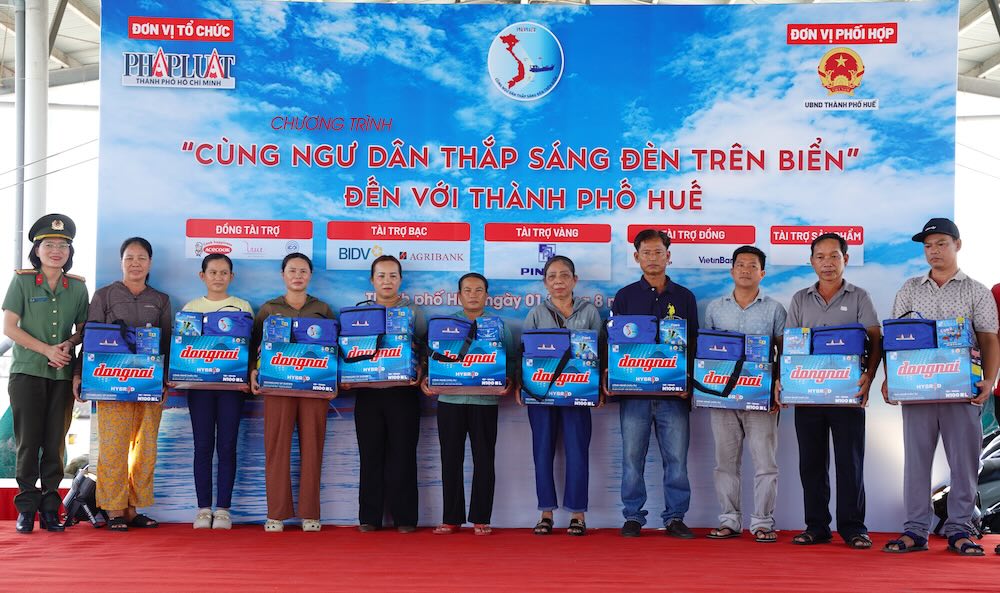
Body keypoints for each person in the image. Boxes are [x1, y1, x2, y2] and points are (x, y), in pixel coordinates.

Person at [881, 218, 999, 556]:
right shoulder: (910, 288)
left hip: (962, 391)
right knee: (916, 463)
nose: (934, 251)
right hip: (917, 392)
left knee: (964, 462)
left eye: (941, 244)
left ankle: (960, 529)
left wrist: (989, 380)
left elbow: (990, 339)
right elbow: (894, 341)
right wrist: (891, 377)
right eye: (928, 245)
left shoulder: (975, 290)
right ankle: (915, 530)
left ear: (957, 245)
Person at [780, 232, 881, 549]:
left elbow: (875, 339)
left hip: (847, 394)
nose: (827, 263)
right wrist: (785, 379)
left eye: (833, 256)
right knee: (811, 462)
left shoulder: (859, 297)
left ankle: (853, 528)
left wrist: (869, 375)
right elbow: (790, 346)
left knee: (850, 462)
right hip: (807, 395)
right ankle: (817, 526)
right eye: (820, 257)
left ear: (845, 259)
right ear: (812, 262)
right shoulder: (799, 299)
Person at [73, 237, 171, 532]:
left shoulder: (161, 300)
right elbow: (89, 341)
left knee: (144, 448)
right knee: (114, 446)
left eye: (141, 258)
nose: (135, 263)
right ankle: (114, 510)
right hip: (110, 384)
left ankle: (133, 509)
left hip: (149, 385)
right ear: (121, 262)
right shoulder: (104, 296)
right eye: (129, 257)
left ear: (150, 263)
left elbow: (166, 341)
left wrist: (165, 379)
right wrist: (79, 374)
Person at [3, 214, 89, 533]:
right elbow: (10, 327)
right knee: (28, 442)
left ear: (69, 251)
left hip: (61, 375)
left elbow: (83, 329)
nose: (56, 251)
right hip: (27, 372)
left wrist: (66, 344)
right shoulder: (23, 281)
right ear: (37, 250)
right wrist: (46, 350)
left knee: (55, 442)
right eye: (49, 245)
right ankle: (26, 508)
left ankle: (51, 508)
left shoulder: (77, 288)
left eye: (63, 245)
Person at [612, 229, 698, 538]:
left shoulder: (685, 297)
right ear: (636, 257)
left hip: (674, 395)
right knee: (632, 459)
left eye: (658, 252)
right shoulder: (624, 296)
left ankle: (675, 517)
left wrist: (690, 383)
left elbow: (694, 344)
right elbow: (615, 346)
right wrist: (615, 381)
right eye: (646, 253)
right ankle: (633, 516)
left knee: (676, 459)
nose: (652, 258)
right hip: (634, 394)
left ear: (668, 255)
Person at [702, 246, 786, 543]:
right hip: (721, 398)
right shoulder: (715, 308)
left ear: (762, 273)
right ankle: (729, 521)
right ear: (732, 270)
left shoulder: (775, 309)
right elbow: (705, 356)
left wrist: (777, 387)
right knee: (725, 463)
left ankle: (763, 522)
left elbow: (783, 352)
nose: (746, 269)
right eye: (740, 264)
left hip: (761, 400)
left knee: (765, 463)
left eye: (753, 265)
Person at [421, 272, 514, 536]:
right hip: (449, 400)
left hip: (485, 401)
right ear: (459, 295)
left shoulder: (498, 326)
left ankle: (481, 518)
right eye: (467, 290)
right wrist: (426, 381)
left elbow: (511, 360)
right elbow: (431, 359)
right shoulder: (443, 324)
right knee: (450, 459)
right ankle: (451, 518)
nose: (473, 295)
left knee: (484, 459)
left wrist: (508, 381)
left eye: (478, 290)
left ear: (487, 295)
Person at [250, 253, 334, 533]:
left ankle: (311, 513)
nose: (297, 275)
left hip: (314, 390)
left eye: (303, 271)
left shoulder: (322, 308)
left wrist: (332, 381)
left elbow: (335, 351)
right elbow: (254, 348)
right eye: (292, 270)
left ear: (310, 275)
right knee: (276, 447)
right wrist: (253, 370)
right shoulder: (269, 309)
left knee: (312, 447)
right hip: (277, 387)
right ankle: (276, 513)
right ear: (283, 275)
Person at [520, 255, 603, 536]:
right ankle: (546, 513)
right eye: (552, 276)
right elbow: (525, 356)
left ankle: (577, 514)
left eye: (564, 275)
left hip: (579, 392)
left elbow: (600, 354)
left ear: (574, 280)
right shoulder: (534, 314)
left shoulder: (590, 312)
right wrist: (524, 387)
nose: (558, 281)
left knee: (578, 451)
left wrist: (598, 389)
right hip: (541, 395)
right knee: (542, 451)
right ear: (545, 282)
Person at [348, 255, 425, 533]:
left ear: (400, 280)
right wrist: (346, 376)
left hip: (403, 394)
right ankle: (370, 517)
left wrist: (422, 371)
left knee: (403, 455)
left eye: (392, 275)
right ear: (372, 280)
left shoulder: (414, 313)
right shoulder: (359, 315)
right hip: (367, 394)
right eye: (381, 276)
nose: (387, 281)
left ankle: (405, 518)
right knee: (370, 456)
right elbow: (348, 352)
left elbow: (427, 350)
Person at [180, 254, 253, 530]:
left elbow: (249, 345)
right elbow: (183, 350)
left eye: (224, 272)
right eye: (213, 272)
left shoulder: (242, 307)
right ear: (203, 276)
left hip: (232, 389)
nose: (218, 277)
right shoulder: (191, 307)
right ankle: (202, 509)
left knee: (227, 446)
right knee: (202, 446)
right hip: (199, 389)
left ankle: (223, 508)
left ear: (231, 277)